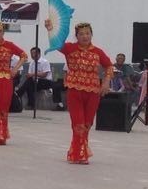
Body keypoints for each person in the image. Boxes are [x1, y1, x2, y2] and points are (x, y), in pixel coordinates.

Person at [45, 18, 112, 164]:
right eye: (81, 34)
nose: (85, 36)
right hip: (75, 90)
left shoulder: (98, 52)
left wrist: (106, 82)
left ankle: (78, 152)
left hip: (93, 92)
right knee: (78, 124)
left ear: (91, 35)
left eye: (87, 33)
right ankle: (80, 154)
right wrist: (50, 29)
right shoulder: (70, 48)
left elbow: (109, 66)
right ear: (77, 36)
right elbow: (56, 43)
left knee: (87, 124)